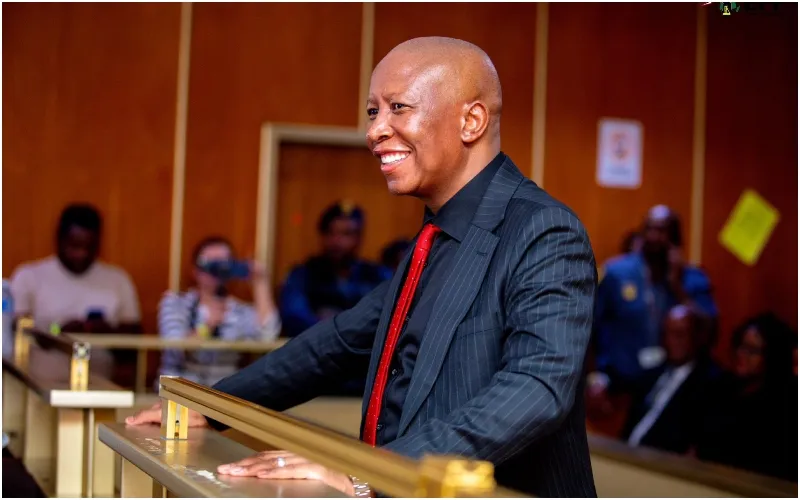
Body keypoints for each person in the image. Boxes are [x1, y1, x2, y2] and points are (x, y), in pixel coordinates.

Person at [127, 36, 598, 497]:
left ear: (471, 120)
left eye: (398, 108)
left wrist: (368, 470)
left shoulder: (543, 228)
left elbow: (535, 388)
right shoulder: (435, 237)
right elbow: (336, 343)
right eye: (374, 111)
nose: (374, 131)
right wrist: (208, 408)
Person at [590, 205, 718, 394]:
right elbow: (590, 327)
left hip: (670, 388)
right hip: (618, 383)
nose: (653, 237)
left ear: (675, 239)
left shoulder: (693, 279)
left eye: (661, 231)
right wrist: (593, 376)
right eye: (648, 229)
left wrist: (677, 287)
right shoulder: (617, 273)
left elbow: (709, 332)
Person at [9, 204, 141, 384]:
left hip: (100, 389)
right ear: (60, 239)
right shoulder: (28, 277)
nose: (81, 254)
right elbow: (17, 332)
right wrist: (59, 334)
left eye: (89, 247)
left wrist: (95, 330)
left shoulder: (118, 280)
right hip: (40, 388)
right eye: (74, 246)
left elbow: (133, 338)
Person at [157, 237, 282, 387]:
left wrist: (260, 283)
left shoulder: (239, 310)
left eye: (224, 264)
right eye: (211, 264)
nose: (217, 271)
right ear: (196, 270)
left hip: (223, 395)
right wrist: (206, 327)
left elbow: (267, 335)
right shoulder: (176, 303)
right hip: (178, 393)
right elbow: (173, 348)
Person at [693, 313, 797, 481]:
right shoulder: (721, 387)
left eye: (753, 350)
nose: (742, 354)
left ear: (773, 356)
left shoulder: (785, 404)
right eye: (741, 346)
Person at [279, 201, 392, 337]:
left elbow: (388, 319)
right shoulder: (302, 275)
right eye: (331, 233)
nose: (337, 241)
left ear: (358, 238)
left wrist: (337, 322)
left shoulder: (376, 275)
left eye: (346, 234)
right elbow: (294, 319)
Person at [620, 305, 715, 454]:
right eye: (667, 334)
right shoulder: (652, 374)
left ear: (696, 336)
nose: (672, 341)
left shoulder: (708, 384)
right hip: (626, 456)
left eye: (680, 334)